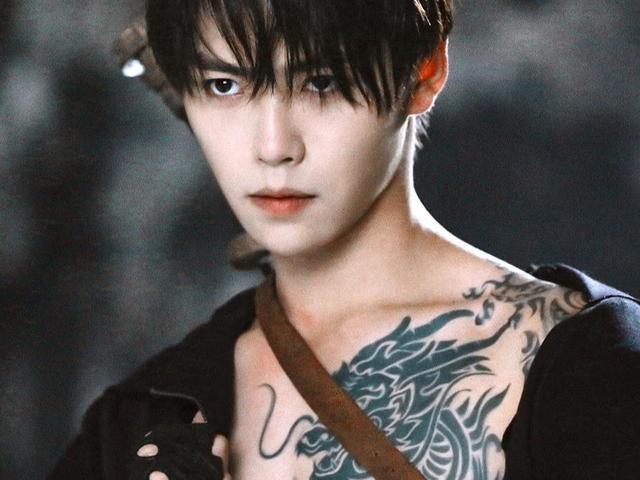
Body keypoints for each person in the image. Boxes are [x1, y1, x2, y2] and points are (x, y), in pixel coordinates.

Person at [50, 1, 640, 479]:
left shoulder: (586, 366)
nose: (274, 147)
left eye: (321, 81)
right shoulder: (142, 417)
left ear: (424, 70)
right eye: (224, 85)